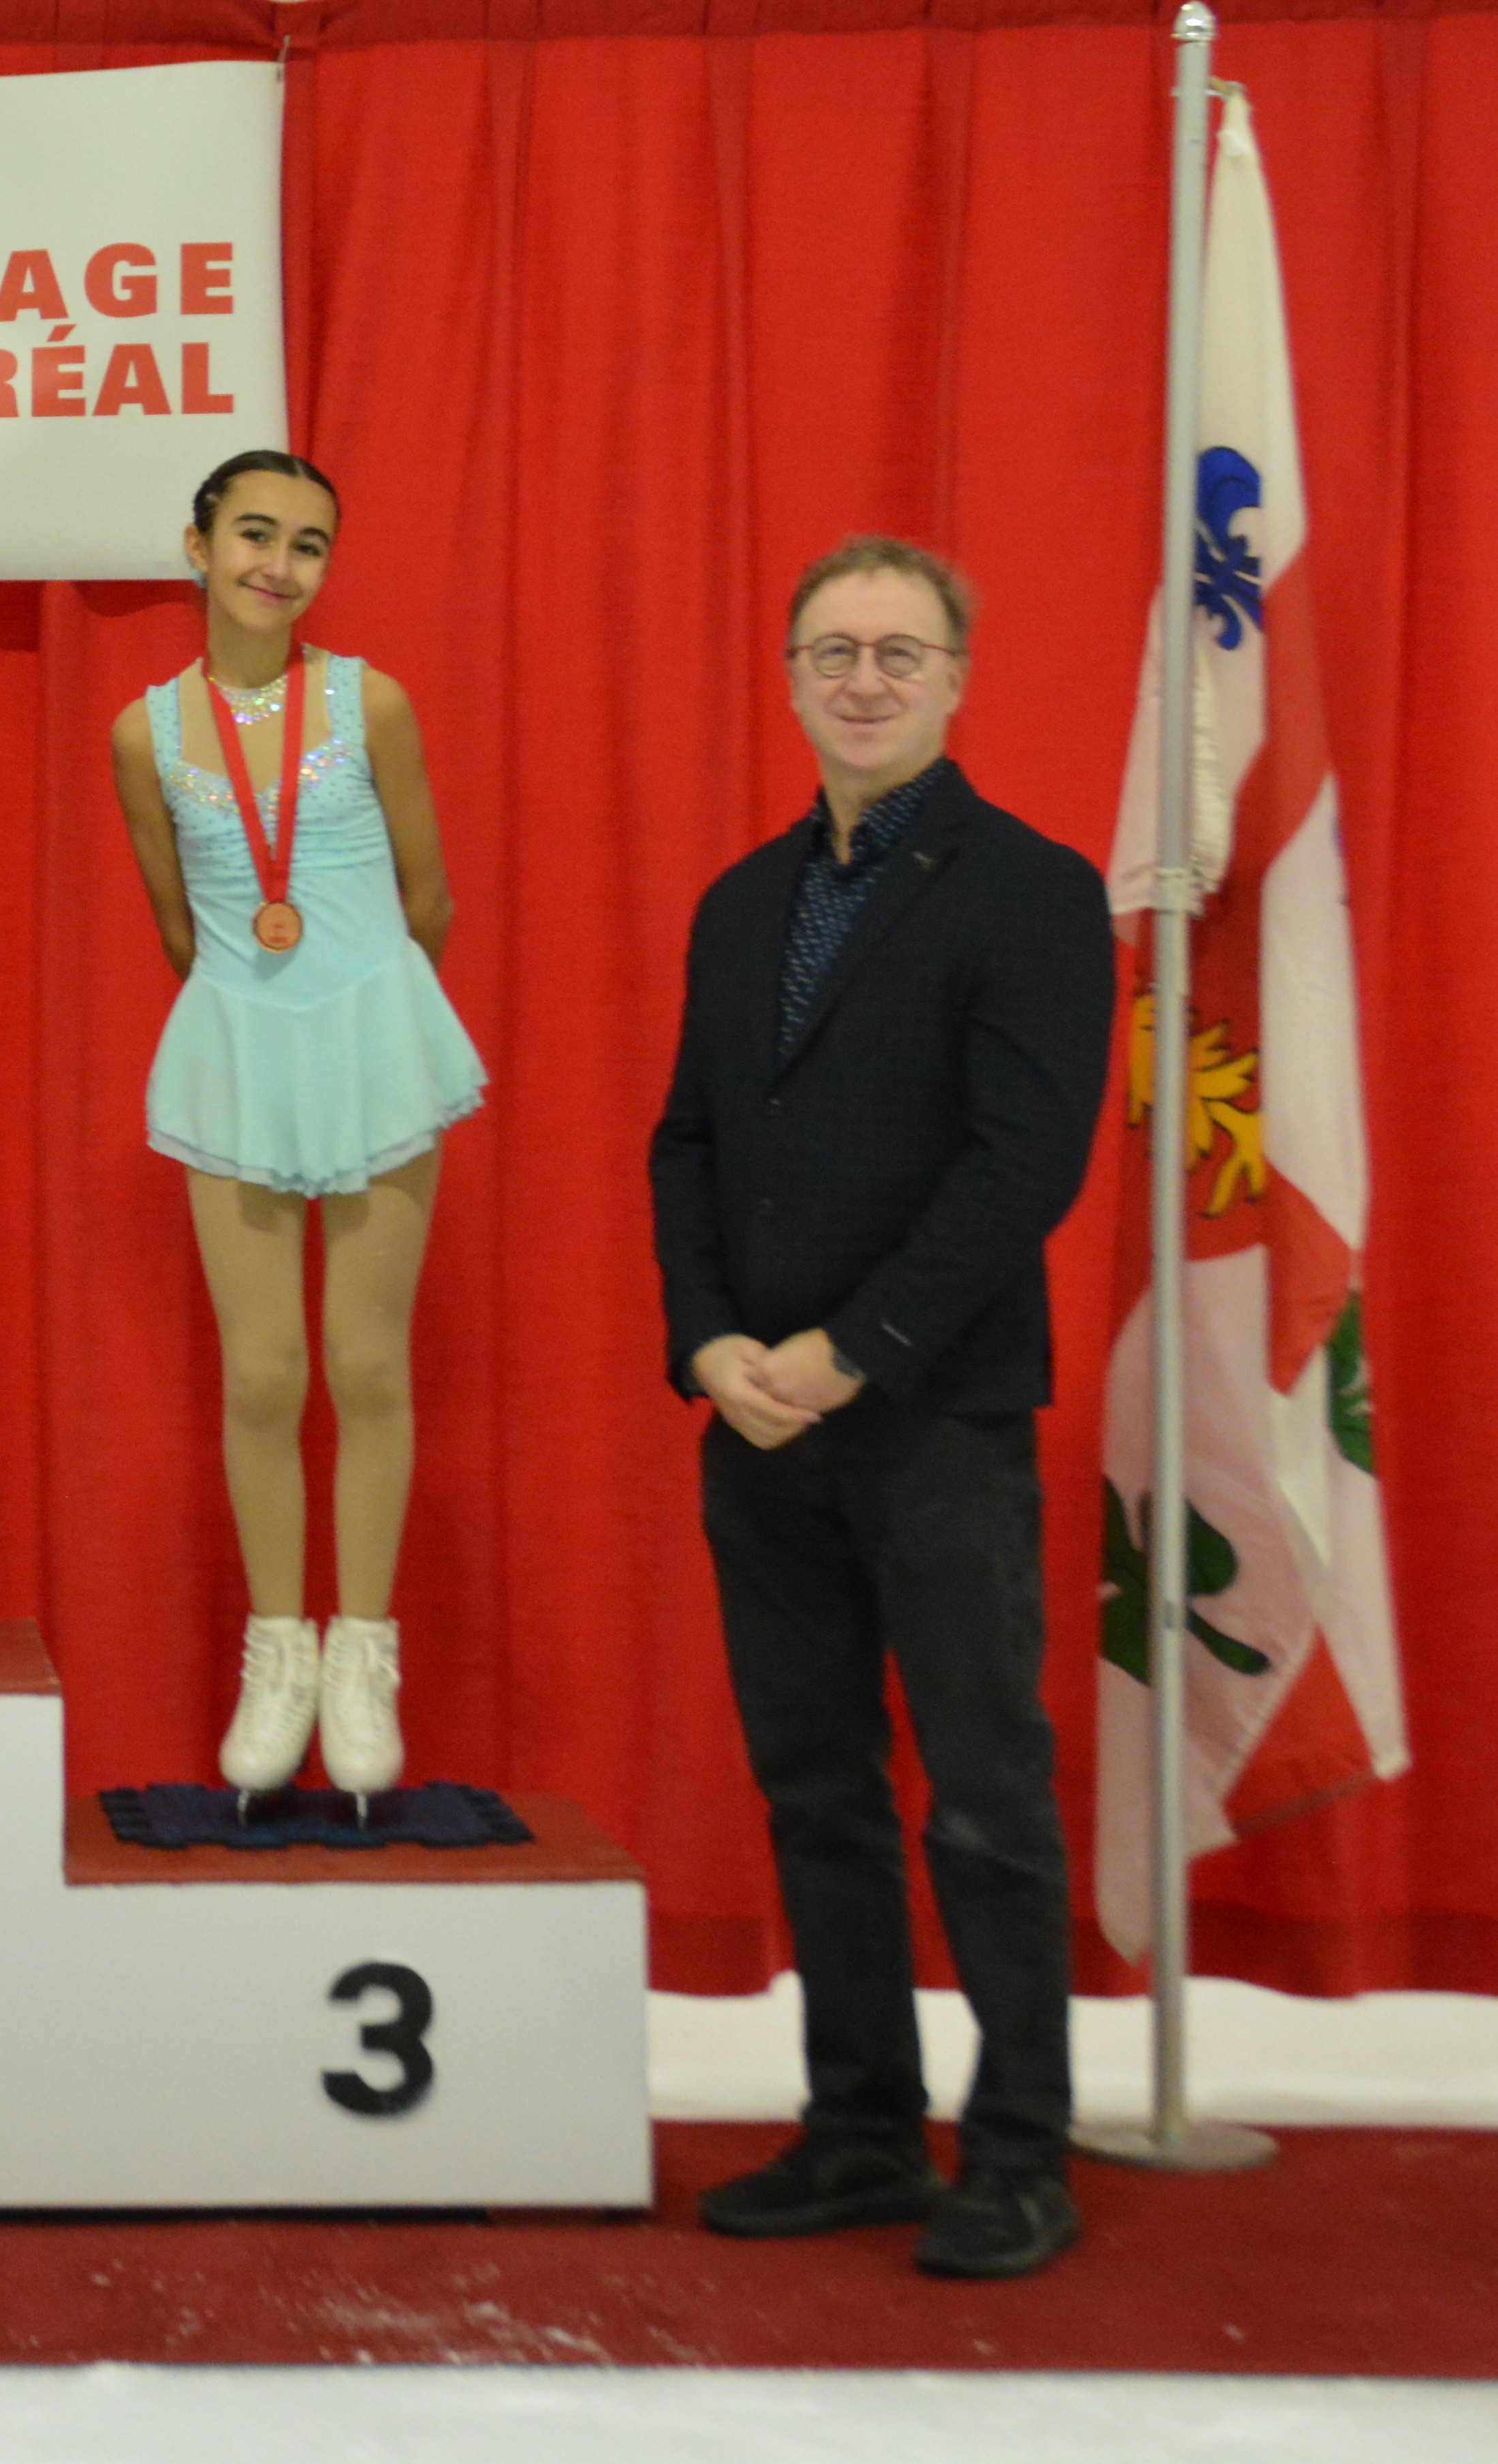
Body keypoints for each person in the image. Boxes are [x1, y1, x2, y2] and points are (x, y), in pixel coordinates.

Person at [649, 535, 1111, 2280]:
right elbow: (688, 1141)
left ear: (956, 679)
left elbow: (1024, 1165)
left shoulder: (1035, 889)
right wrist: (711, 1343)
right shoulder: (739, 902)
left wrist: (855, 1348)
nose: (863, 679)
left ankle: (1021, 2153)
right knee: (817, 1788)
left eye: (898, 652)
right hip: (756, 1422)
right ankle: (861, 2127)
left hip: (937, 1419)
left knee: (985, 1792)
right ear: (788, 677)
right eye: (833, 650)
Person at [109, 450, 482, 1810]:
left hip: (376, 1041)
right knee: (264, 1373)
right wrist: (260, 1017)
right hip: (240, 1056)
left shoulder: (368, 701)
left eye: (308, 545)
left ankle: (362, 1652)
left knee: (366, 1361)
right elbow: (175, 920)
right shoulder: (144, 733)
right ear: (197, 544)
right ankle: (279, 1650)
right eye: (255, 534)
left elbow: (429, 896)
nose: (278, 565)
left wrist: (366, 1013)